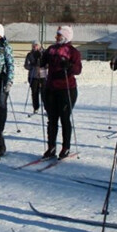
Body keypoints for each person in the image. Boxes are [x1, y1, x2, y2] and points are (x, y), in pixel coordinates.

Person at [39, 25, 82, 159]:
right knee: (52, 119)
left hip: (67, 88)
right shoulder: (51, 49)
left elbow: (78, 69)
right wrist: (40, 58)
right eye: (56, 35)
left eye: (59, 35)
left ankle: (66, 147)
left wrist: (69, 66)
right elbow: (42, 62)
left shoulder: (72, 51)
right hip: (51, 88)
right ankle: (51, 147)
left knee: (64, 118)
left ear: (66, 36)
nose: (56, 38)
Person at [23, 41, 46, 114]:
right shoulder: (30, 54)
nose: (34, 46)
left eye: (36, 45)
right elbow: (26, 65)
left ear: (39, 46)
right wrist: (32, 66)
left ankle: (46, 108)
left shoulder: (44, 54)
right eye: (33, 45)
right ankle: (35, 108)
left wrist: (43, 64)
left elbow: (47, 64)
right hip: (33, 76)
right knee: (34, 92)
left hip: (43, 76)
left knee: (44, 93)